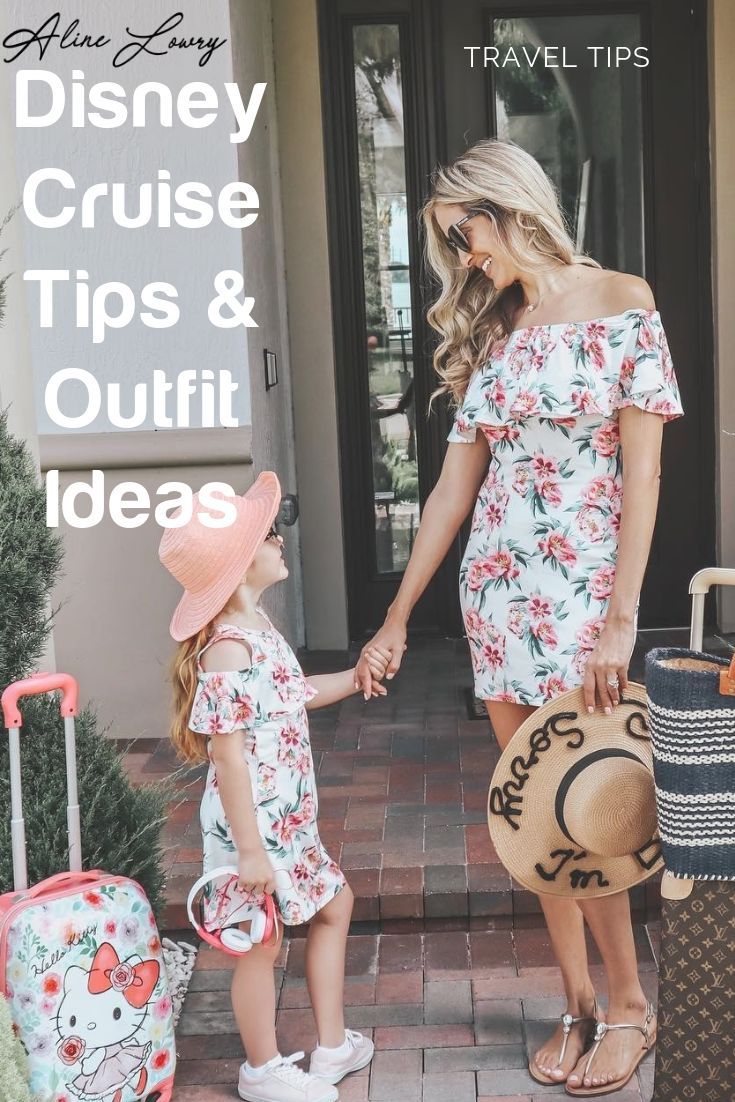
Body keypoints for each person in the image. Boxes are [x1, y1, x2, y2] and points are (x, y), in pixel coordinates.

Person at [355, 139, 683, 1097]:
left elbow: (643, 473)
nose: (463, 256)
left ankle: (631, 1004)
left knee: (592, 809)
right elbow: (453, 495)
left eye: (466, 232)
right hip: (498, 599)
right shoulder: (495, 331)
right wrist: (395, 617)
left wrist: (620, 619)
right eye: (449, 242)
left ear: (510, 206)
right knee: (532, 818)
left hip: (582, 601)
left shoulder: (624, 300)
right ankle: (576, 1004)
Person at [159, 473, 380, 1102]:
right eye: (266, 535)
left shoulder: (259, 631)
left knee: (334, 905)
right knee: (261, 942)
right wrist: (250, 852)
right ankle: (261, 1069)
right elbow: (227, 760)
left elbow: (298, 695)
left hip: (288, 825)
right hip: (251, 829)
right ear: (238, 565)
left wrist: (356, 675)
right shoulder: (228, 650)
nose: (279, 539)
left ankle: (331, 1046)